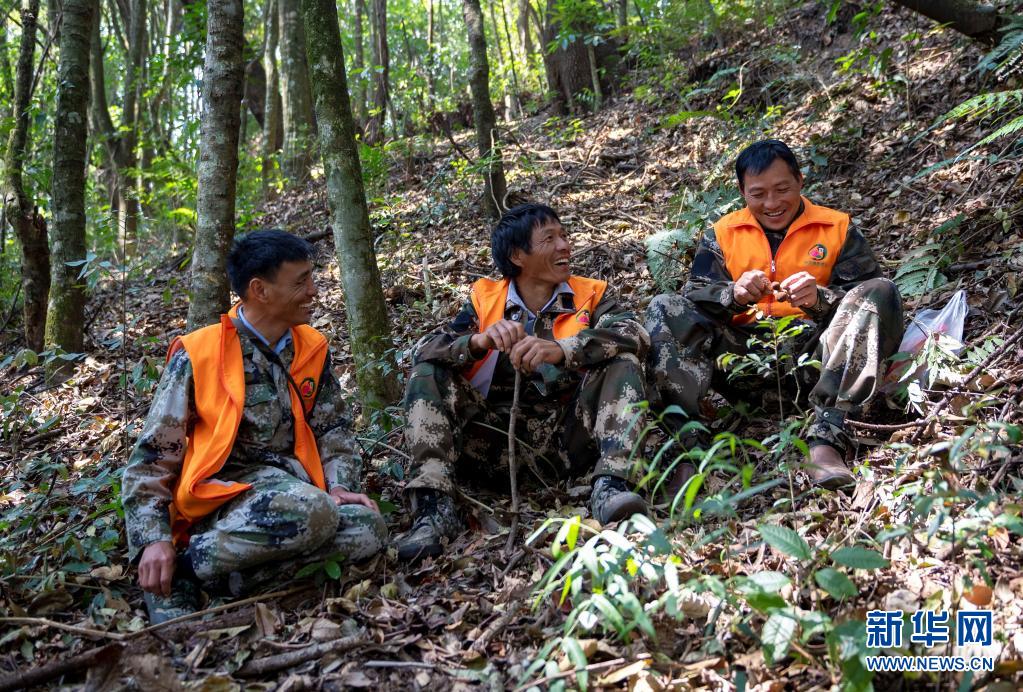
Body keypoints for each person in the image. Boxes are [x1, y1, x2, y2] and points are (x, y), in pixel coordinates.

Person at [123, 230, 386, 623]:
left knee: (369, 528)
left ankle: (217, 578)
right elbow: (152, 458)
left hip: (296, 495)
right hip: (222, 502)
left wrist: (340, 486)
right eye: (301, 281)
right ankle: (180, 566)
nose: (313, 291)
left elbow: (333, 430)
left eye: (312, 278)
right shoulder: (200, 354)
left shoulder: (311, 348)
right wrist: (153, 539)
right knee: (315, 513)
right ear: (260, 290)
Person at [396, 203, 651, 561]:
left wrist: (563, 349)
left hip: (570, 439)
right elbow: (423, 350)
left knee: (623, 361)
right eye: (550, 239)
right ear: (518, 255)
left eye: (564, 235)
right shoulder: (485, 300)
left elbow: (635, 333)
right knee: (428, 373)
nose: (564, 245)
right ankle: (433, 508)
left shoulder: (589, 293)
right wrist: (477, 342)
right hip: (494, 444)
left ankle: (613, 485)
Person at [646, 139, 903, 489]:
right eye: (758, 194)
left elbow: (864, 295)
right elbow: (694, 296)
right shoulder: (721, 234)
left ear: (800, 181)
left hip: (817, 358)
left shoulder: (837, 227)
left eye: (782, 189)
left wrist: (820, 299)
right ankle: (689, 451)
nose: (772, 203)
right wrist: (732, 295)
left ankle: (827, 438)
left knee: (882, 291)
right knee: (663, 306)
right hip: (741, 362)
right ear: (742, 192)